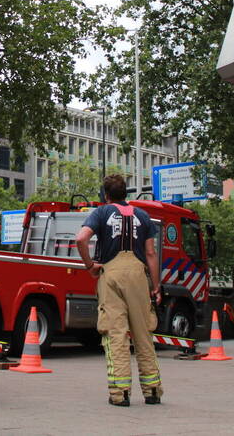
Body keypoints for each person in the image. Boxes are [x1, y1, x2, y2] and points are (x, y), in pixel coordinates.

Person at [75, 174, 163, 407]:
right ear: (126, 194)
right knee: (144, 334)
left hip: (111, 274)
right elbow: (152, 254)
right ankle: (152, 390)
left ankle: (120, 393)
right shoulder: (143, 216)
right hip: (138, 276)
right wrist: (156, 287)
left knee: (116, 334)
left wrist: (90, 266)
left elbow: (81, 239)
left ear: (105, 195)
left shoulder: (101, 213)